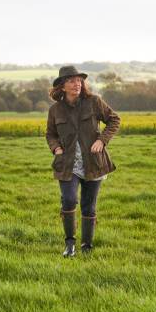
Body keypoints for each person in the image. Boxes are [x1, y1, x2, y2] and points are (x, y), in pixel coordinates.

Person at [46, 66, 121, 257]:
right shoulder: (55, 110)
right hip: (67, 164)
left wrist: (101, 140)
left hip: (94, 163)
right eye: (71, 81)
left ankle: (87, 246)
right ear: (62, 86)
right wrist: (56, 148)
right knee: (69, 200)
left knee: (89, 205)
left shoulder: (94, 102)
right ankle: (70, 244)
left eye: (79, 80)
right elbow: (51, 134)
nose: (77, 84)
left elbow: (114, 120)